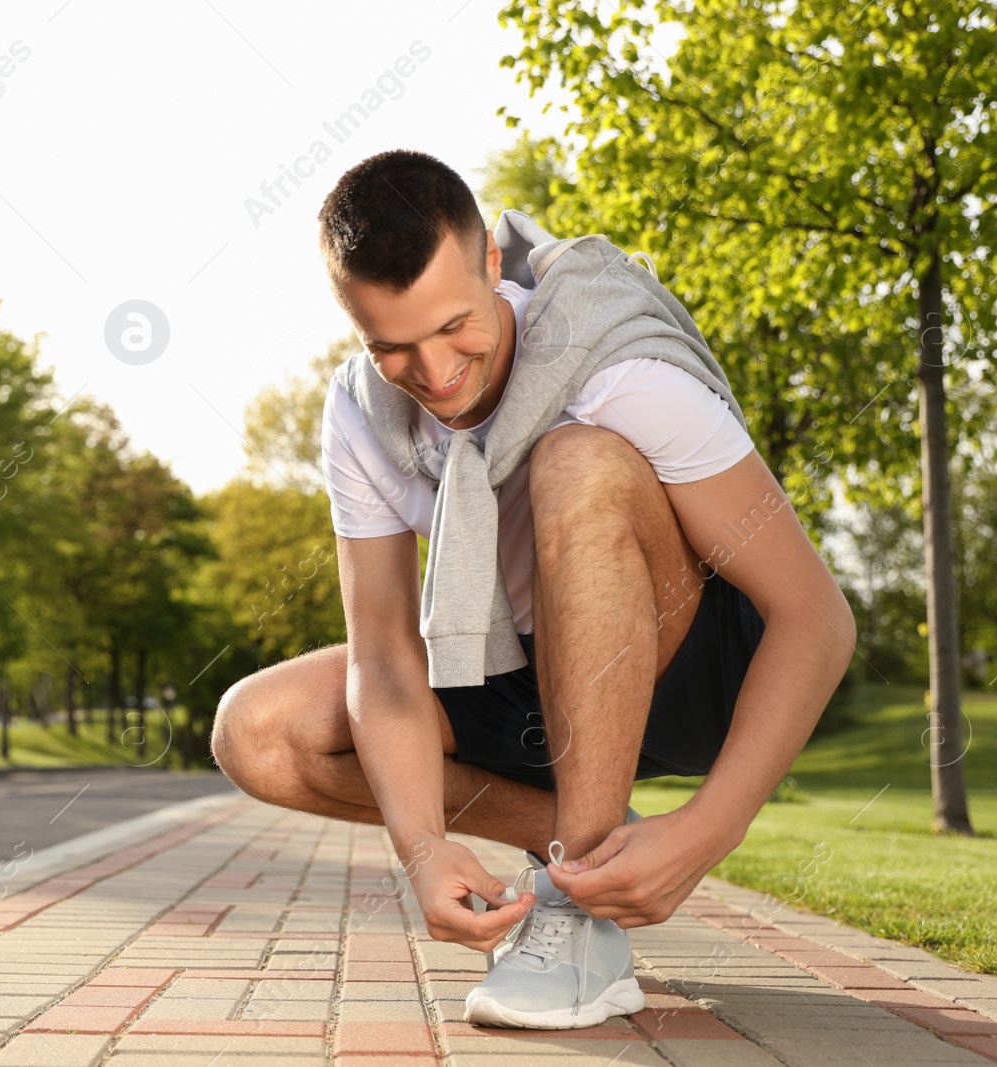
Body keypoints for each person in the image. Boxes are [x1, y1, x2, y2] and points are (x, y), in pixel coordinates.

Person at [211, 149, 856, 1029]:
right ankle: (581, 838)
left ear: (489, 263)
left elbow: (815, 617)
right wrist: (423, 848)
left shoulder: (618, 363)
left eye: (454, 327)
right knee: (259, 732)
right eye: (393, 345)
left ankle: (580, 913)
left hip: (685, 661)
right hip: (517, 664)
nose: (435, 374)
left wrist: (709, 829)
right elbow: (388, 658)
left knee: (576, 457)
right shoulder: (363, 410)